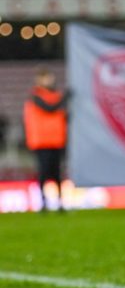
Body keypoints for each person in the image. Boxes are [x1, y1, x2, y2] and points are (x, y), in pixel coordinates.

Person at [23, 68, 69, 212]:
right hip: (42, 142)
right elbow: (49, 108)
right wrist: (65, 98)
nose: (48, 80)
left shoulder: (56, 96)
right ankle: (43, 202)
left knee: (57, 173)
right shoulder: (35, 96)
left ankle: (60, 202)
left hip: (56, 140)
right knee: (44, 172)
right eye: (45, 78)